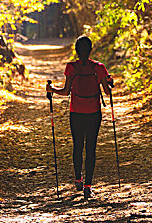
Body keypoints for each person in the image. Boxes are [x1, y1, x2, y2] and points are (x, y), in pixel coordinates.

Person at [46, 35, 113, 200]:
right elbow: (106, 92)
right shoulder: (99, 68)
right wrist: (109, 82)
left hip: (76, 113)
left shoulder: (71, 67)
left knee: (78, 146)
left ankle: (78, 179)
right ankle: (88, 186)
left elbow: (66, 91)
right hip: (94, 113)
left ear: (76, 50)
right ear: (91, 50)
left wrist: (51, 89)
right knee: (91, 148)